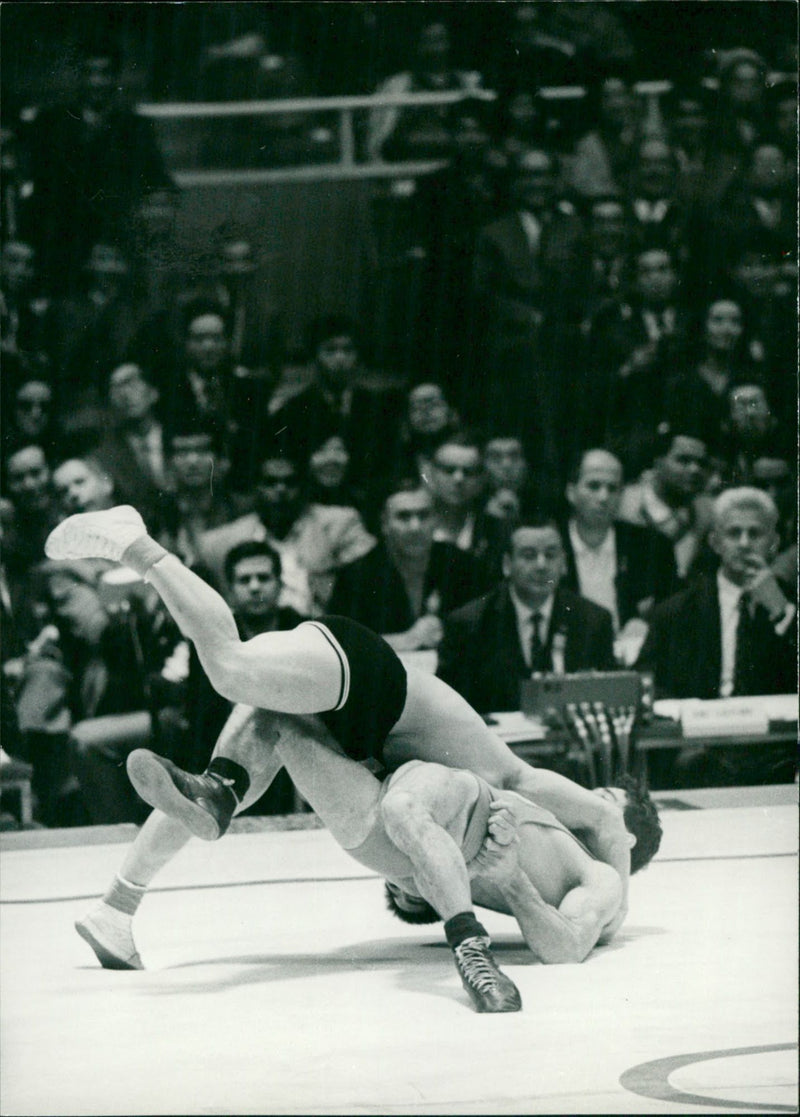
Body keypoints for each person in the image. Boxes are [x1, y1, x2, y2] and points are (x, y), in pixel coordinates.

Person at [45, 502, 642, 925]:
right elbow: (606, 824)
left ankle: (117, 907)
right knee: (229, 666)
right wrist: (617, 876)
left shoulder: (528, 852)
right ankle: (137, 543)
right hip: (375, 687)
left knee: (218, 797)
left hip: (354, 724)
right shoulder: (539, 796)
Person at [76, 713, 660, 1012]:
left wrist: (514, 883)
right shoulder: (547, 807)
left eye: (608, 801)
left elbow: (566, 948)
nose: (592, 802)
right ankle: (142, 877)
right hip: (439, 795)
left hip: (401, 847)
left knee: (402, 814)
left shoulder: (601, 878)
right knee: (272, 716)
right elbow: (515, 778)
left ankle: (468, 947)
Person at [636, 487, 796, 787]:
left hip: (774, 748)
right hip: (698, 747)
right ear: (715, 542)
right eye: (734, 533)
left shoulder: (789, 607)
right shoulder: (676, 611)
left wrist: (781, 612)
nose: (744, 543)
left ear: (774, 543)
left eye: (755, 533)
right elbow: (644, 682)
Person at [437, 517, 616, 715]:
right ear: (507, 564)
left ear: (564, 564)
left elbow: (609, 700)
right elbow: (448, 709)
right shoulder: (470, 624)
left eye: (550, 555)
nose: (541, 565)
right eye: (529, 555)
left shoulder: (593, 620)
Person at [196, 452, 375, 616]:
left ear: (305, 486)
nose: (280, 490)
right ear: (255, 488)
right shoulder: (218, 543)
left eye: (290, 482)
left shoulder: (339, 525)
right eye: (270, 483)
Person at [328, 477, 485, 654]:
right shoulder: (356, 575)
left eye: (424, 515)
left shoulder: (464, 565)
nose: (415, 527)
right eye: (404, 517)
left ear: (436, 520)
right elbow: (337, 645)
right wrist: (406, 640)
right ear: (384, 523)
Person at [562, 449, 679, 663]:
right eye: (593, 486)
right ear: (571, 492)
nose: (604, 497)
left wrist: (647, 623)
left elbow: (673, 605)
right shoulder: (553, 546)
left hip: (632, 662)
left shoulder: (651, 545)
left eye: (613, 488)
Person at [618, 426, 713, 580]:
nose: (695, 469)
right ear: (658, 462)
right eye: (683, 460)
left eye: (701, 463)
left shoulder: (707, 513)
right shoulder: (622, 506)